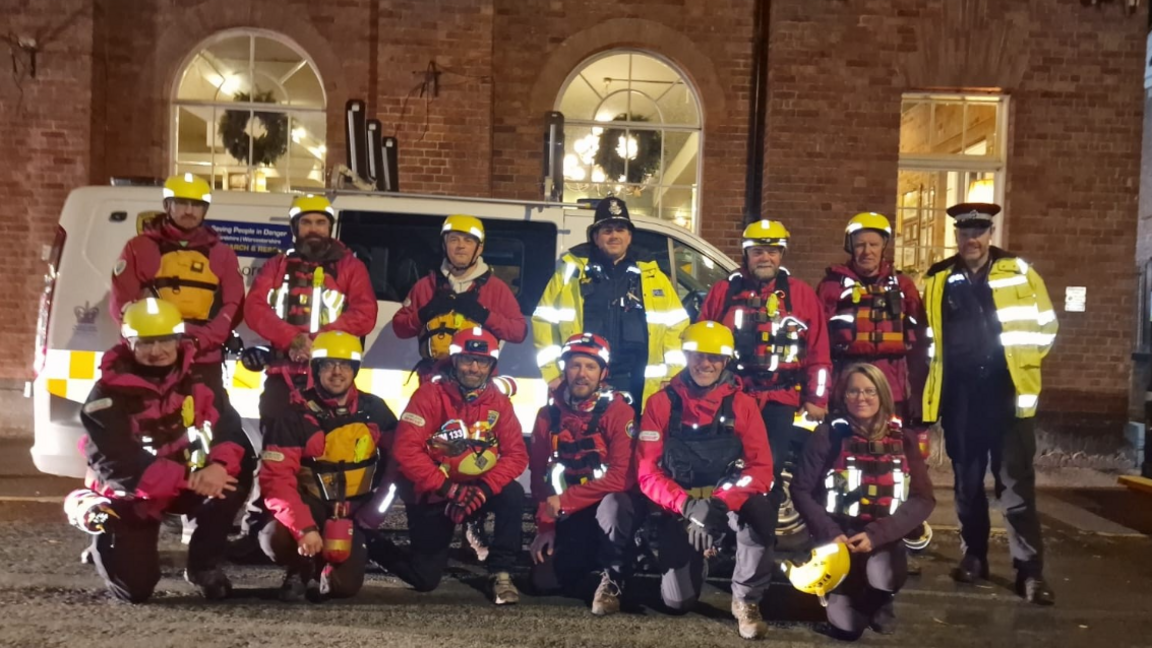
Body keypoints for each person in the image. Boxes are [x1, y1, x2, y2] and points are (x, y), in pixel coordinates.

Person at [69, 298, 251, 603]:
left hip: (182, 481)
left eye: (165, 339)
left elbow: (229, 431)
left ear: (178, 339)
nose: (156, 351)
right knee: (135, 591)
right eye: (145, 343)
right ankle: (95, 516)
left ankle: (203, 566)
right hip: (131, 493)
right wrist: (188, 478)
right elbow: (118, 465)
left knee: (233, 480)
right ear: (129, 344)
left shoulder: (199, 381)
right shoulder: (106, 395)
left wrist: (218, 466)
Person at [921, 202, 1058, 605]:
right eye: (964, 233)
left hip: (1007, 395)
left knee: (1015, 487)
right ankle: (974, 556)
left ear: (991, 234)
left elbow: (1047, 327)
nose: (972, 240)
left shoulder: (1019, 272)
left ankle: (1030, 572)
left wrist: (1022, 367)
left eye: (979, 232)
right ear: (957, 237)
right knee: (966, 485)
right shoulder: (937, 278)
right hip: (961, 397)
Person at [238, 193, 378, 553]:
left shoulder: (349, 267)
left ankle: (318, 521)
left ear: (330, 228)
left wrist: (316, 342)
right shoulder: (277, 266)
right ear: (295, 228)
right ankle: (259, 526)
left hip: (326, 377)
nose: (313, 229)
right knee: (273, 453)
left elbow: (365, 313)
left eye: (320, 223)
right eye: (306, 223)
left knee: (325, 453)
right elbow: (254, 308)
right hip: (283, 376)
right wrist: (291, 337)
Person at [635, 321, 776, 640]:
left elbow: (760, 469)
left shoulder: (743, 405)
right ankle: (699, 557)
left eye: (714, 357)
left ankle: (746, 599)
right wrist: (687, 507)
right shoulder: (660, 404)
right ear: (686, 355)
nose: (705, 364)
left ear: (726, 361)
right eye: (698, 355)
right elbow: (647, 472)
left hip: (725, 505)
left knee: (763, 510)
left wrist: (718, 505)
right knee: (677, 601)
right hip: (682, 509)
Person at [698, 220, 831, 548]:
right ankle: (719, 540)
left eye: (772, 251)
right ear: (746, 254)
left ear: (781, 253)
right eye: (758, 251)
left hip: (779, 401)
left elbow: (819, 351)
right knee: (725, 468)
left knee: (765, 474)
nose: (765, 258)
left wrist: (817, 397)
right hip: (732, 397)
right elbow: (701, 343)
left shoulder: (801, 295)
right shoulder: (723, 292)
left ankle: (759, 543)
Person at [374, 327, 528, 604]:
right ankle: (369, 542)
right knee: (424, 579)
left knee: (512, 495)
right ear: (454, 360)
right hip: (435, 491)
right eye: (467, 359)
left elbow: (517, 455)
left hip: (475, 489)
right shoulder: (429, 395)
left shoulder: (499, 402)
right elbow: (405, 450)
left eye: (482, 361)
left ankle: (501, 572)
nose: (474, 368)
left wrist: (483, 488)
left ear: (491, 366)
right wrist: (448, 488)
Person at [791, 363, 935, 640]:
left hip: (881, 537)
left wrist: (877, 534)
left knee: (885, 575)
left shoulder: (903, 438)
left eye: (869, 391)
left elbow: (923, 499)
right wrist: (831, 534)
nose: (861, 398)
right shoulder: (827, 436)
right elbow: (801, 490)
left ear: (881, 394)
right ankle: (844, 593)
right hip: (838, 538)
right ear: (843, 396)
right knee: (847, 629)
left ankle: (881, 598)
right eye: (853, 391)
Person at [258, 331, 397, 602]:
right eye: (328, 364)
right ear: (316, 369)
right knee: (274, 538)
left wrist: (373, 513)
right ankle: (301, 566)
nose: (336, 372)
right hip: (310, 505)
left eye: (344, 365)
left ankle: (328, 564)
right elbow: (277, 480)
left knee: (342, 589)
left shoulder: (375, 410)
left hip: (354, 513)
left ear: (354, 369)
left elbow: (400, 466)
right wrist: (304, 528)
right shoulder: (296, 414)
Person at [533, 196, 689, 415]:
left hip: (637, 383)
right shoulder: (570, 273)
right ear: (595, 237)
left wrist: (671, 377)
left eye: (620, 229)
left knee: (632, 445)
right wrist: (553, 373)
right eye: (607, 230)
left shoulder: (653, 275)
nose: (614, 235)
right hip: (584, 382)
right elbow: (544, 321)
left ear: (629, 236)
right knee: (585, 445)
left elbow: (677, 327)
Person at [110, 173, 245, 409]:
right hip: (154, 359)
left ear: (205, 210)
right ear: (167, 206)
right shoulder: (139, 248)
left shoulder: (222, 253)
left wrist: (201, 340)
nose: (189, 211)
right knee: (150, 425)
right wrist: (159, 344)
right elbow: (123, 305)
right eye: (181, 204)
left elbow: (233, 306)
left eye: (196, 205)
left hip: (204, 358)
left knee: (211, 426)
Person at [527, 333, 638, 616]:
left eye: (590, 367)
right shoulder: (547, 415)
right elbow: (540, 475)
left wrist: (566, 501)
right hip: (567, 514)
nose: (581, 374)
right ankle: (586, 556)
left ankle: (615, 574)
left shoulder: (618, 412)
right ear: (564, 369)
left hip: (603, 507)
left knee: (616, 504)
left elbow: (621, 477)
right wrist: (545, 526)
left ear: (603, 373)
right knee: (546, 582)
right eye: (575, 365)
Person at [816, 212, 927, 421]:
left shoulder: (903, 286)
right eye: (860, 245)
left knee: (891, 448)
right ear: (850, 246)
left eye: (874, 245)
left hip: (893, 390)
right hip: (845, 388)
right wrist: (819, 396)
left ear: (884, 246)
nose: (867, 251)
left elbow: (920, 345)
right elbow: (817, 345)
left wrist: (919, 393)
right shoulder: (831, 287)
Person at [392, 214, 527, 378]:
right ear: (444, 245)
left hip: (477, 381)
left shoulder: (496, 289)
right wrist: (424, 313)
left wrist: (485, 316)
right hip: (432, 381)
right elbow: (399, 327)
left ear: (479, 248)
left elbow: (519, 332)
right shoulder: (426, 285)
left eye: (468, 241)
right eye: (454, 239)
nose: (460, 246)